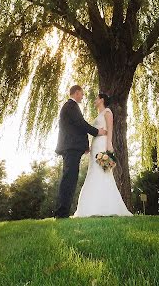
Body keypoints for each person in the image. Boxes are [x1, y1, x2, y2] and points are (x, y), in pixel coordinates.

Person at [73, 92, 132, 217]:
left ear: (102, 100)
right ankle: (91, 207)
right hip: (95, 145)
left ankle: (108, 206)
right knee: (93, 172)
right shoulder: (99, 114)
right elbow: (94, 131)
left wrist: (109, 144)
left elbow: (110, 129)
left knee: (103, 172)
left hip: (102, 144)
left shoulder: (107, 112)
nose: (95, 100)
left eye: (97, 98)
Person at [54, 84, 106, 219]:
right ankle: (62, 212)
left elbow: (77, 128)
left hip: (72, 147)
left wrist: (85, 145)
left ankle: (63, 212)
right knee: (69, 179)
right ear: (76, 93)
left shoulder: (70, 107)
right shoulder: (71, 106)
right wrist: (97, 132)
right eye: (81, 94)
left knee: (70, 178)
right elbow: (81, 124)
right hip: (71, 148)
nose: (83, 96)